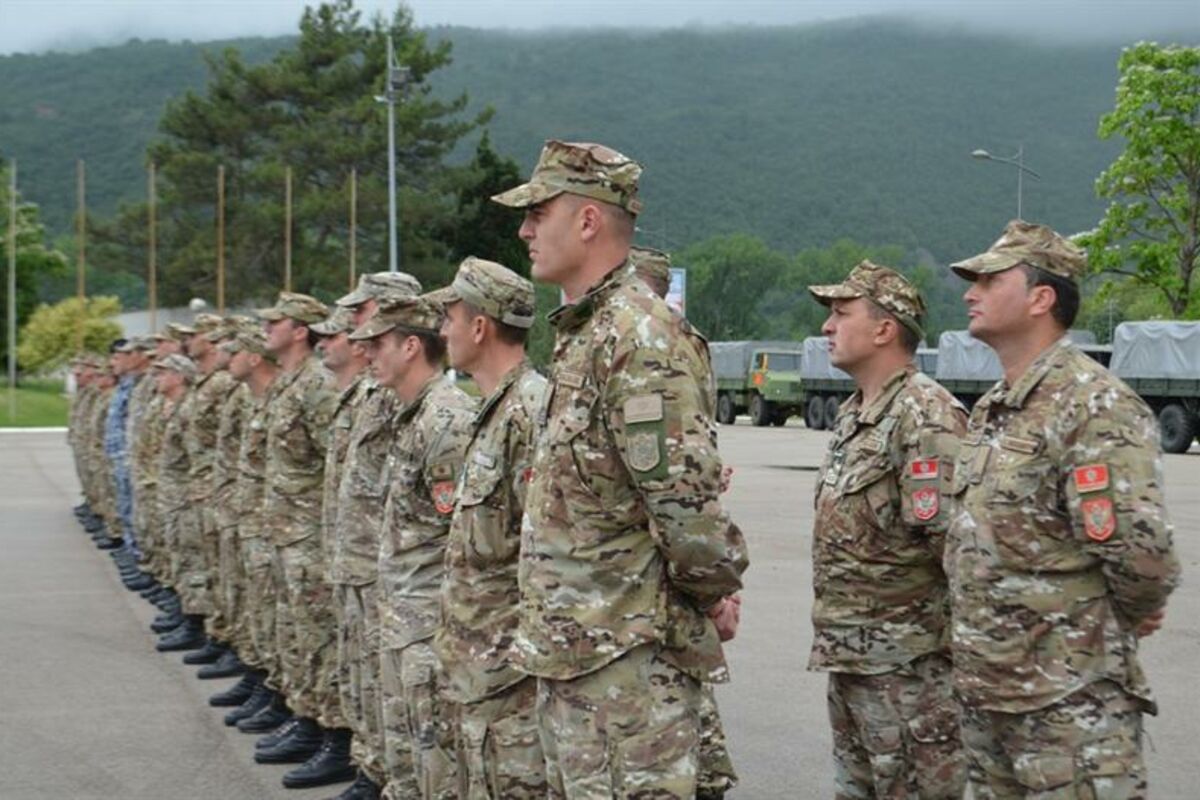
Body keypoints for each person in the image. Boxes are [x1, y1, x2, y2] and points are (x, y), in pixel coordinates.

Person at [491, 139, 748, 797]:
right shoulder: (586, 334)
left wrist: (712, 596)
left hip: (626, 666)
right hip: (578, 656)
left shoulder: (639, 337)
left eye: (538, 213)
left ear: (588, 220)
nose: (524, 230)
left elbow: (687, 513)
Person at [946, 220, 1181, 797]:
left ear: (1041, 298)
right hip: (989, 696)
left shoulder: (1092, 403)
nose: (971, 293)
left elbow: (1142, 556)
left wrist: (1120, 616)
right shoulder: (995, 408)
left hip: (1068, 701)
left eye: (989, 280)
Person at [807, 261, 968, 799]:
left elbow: (956, 550)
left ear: (884, 329)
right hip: (854, 659)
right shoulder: (855, 414)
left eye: (841, 313)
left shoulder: (926, 416)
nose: (827, 326)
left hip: (910, 671)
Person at [429, 257, 549, 799]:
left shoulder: (530, 412)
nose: (442, 331)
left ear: (480, 327)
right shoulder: (492, 412)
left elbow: (546, 551)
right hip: (474, 670)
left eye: (449, 317)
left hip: (509, 682)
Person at [348, 294, 475, 800]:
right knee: (404, 765)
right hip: (401, 620)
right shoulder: (410, 415)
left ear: (410, 347)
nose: (366, 353)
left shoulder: (447, 420)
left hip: (429, 628)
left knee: (436, 768)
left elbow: (464, 537)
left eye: (378, 343)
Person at [327, 271, 423, 800]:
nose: (352, 323)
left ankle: (384, 774)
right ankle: (371, 766)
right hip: (361, 559)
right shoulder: (373, 390)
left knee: (389, 687)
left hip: (387, 569)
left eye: (362, 312)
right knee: (364, 675)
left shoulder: (405, 396)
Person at [244, 292, 342, 791]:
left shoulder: (317, 386)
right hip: (284, 531)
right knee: (296, 634)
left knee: (319, 639)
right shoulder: (288, 382)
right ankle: (303, 715)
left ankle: (332, 737)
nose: (266, 329)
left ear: (301, 330)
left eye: (275, 322)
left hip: (309, 537)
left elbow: (334, 465)